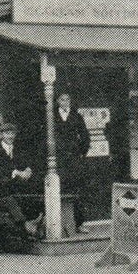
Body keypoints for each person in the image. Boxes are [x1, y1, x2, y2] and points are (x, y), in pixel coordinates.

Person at [52, 91, 92, 231]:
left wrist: (80, 153)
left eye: (67, 99)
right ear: (57, 101)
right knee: (58, 189)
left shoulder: (76, 116)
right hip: (57, 160)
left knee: (76, 189)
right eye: (62, 99)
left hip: (73, 159)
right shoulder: (51, 116)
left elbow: (85, 136)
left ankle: (79, 223)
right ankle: (58, 224)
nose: (65, 102)